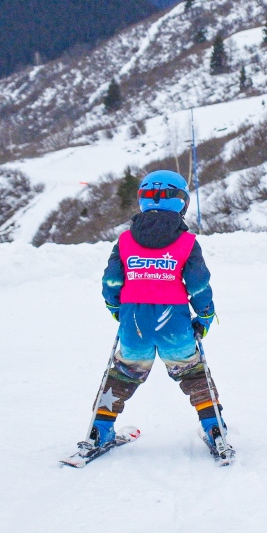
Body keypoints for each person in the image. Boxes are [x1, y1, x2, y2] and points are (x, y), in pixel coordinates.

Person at [88, 170, 230, 462]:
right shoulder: (187, 243)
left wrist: (117, 309)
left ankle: (100, 429)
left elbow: (111, 282)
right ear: (182, 202)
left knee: (123, 375)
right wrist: (204, 317)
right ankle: (214, 428)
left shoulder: (126, 241)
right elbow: (199, 286)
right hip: (174, 323)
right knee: (193, 374)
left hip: (134, 323)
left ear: (142, 199)